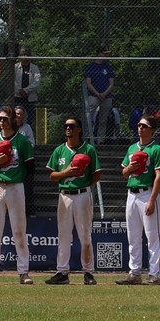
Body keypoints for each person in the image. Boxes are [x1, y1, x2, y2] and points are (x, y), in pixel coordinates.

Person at [0, 108, 34, 284]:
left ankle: (24, 272)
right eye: (0, 118)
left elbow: (30, 168)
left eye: (5, 118)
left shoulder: (22, 141)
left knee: (19, 230)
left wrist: (17, 178)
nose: (2, 122)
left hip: (16, 186)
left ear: (13, 120)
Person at [47, 117, 102, 285]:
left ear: (79, 129)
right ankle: (62, 272)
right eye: (66, 126)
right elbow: (52, 176)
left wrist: (84, 186)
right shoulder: (59, 150)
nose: (68, 128)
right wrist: (68, 172)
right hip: (64, 195)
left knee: (85, 235)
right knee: (63, 235)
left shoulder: (88, 149)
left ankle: (88, 272)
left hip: (82, 195)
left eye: (72, 126)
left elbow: (97, 174)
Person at [116, 118, 160, 285]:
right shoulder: (132, 148)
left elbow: (159, 176)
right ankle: (134, 272)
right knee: (133, 236)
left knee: (153, 237)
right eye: (138, 125)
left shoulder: (156, 149)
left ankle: (154, 275)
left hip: (147, 192)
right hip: (132, 193)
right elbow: (124, 172)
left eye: (144, 126)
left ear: (152, 130)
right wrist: (128, 169)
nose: (140, 128)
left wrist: (152, 200)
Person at [83, 50, 117, 139]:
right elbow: (88, 83)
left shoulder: (108, 67)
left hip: (106, 96)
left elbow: (111, 83)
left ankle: (100, 139)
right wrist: (97, 94)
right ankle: (87, 137)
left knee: (103, 119)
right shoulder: (91, 67)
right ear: (99, 54)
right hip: (93, 96)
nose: (106, 56)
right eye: (105, 54)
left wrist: (105, 93)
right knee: (89, 117)